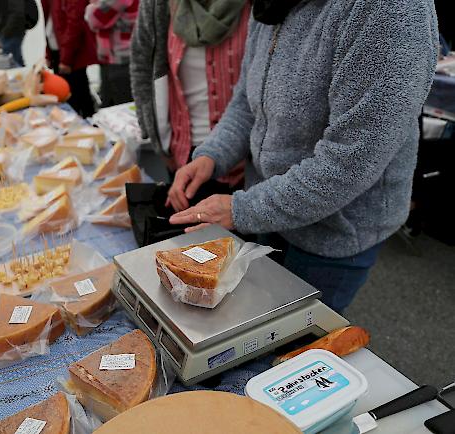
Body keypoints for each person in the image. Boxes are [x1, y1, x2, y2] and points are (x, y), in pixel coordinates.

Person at [168, 0, 438, 313]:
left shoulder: (389, 10)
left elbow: (349, 162)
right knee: (253, 322)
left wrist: (244, 209)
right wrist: (212, 154)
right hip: (269, 212)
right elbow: (247, 100)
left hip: (334, 235)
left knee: (293, 346)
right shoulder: (274, 4)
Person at [131, 0, 251, 186]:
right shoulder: (158, 5)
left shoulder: (260, 8)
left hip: (247, 160)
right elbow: (142, 65)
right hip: (183, 156)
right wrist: (157, 141)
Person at [42, 0, 97, 117]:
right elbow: (50, 24)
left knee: (78, 95)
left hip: (71, 54)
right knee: (65, 97)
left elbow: (75, 24)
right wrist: (48, 53)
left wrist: (66, 59)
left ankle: (88, 126)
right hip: (59, 51)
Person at [85, 0, 139, 107]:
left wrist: (91, 7)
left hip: (121, 59)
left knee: (120, 107)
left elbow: (95, 19)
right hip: (126, 56)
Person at [0, 0, 39, 67]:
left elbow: (17, 12)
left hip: (11, 32)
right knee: (15, 63)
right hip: (7, 32)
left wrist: (6, 32)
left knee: (10, 67)